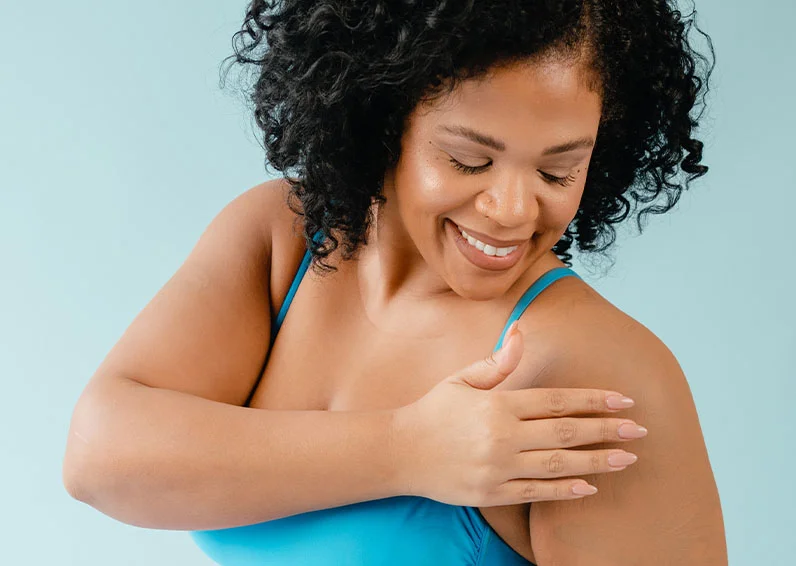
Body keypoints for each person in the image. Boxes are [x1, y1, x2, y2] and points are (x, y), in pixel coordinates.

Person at [62, 0, 726, 564]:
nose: (515, 209)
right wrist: (408, 450)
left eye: (558, 172)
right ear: (385, 119)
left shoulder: (599, 376)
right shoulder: (284, 240)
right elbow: (101, 459)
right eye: (468, 160)